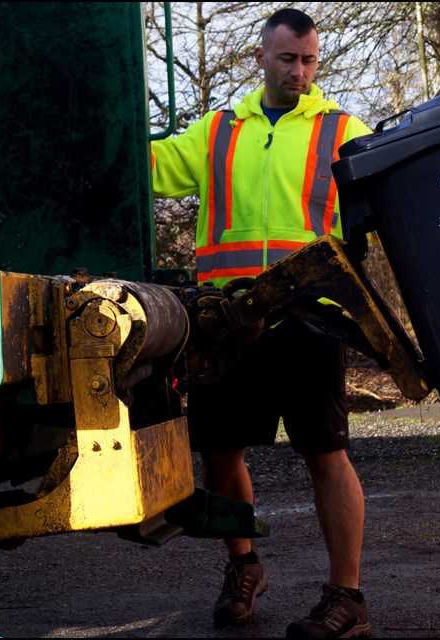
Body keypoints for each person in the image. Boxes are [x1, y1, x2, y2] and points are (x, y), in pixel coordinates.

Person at [150, 7, 373, 639]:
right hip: (228, 319)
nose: (299, 72)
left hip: (310, 321)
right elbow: (153, 167)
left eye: (308, 61)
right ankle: (244, 568)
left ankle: (347, 597)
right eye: (287, 59)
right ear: (262, 58)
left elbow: (380, 207)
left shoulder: (343, 131)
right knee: (221, 453)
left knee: (327, 453)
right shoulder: (218, 131)